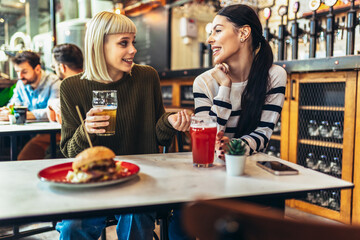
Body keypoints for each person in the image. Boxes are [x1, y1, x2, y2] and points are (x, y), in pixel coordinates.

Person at [56, 11, 191, 240]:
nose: (133, 50)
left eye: (133, 42)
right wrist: (86, 129)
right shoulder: (71, 87)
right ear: (100, 46)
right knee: (72, 227)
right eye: (123, 43)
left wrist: (169, 122)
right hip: (93, 181)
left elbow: (160, 136)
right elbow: (70, 151)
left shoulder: (147, 77)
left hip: (141, 178)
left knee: (135, 217)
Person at [169, 4, 287, 240]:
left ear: (243, 33)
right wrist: (225, 87)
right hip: (210, 174)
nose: (210, 40)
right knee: (178, 224)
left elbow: (264, 132)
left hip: (250, 172)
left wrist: (235, 148)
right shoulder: (204, 82)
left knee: (273, 205)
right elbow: (208, 139)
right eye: (210, 33)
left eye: (217, 31)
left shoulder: (274, 76)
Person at [0, 51, 61, 160]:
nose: (20, 76)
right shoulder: (21, 84)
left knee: (23, 159)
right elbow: (14, 103)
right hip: (32, 133)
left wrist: (23, 115)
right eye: (17, 72)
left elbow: (54, 113)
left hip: (54, 135)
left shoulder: (54, 82)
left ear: (37, 68)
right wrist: (8, 111)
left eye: (24, 71)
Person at [48, 43, 84, 124]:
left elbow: (57, 120)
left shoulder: (68, 87)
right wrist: (51, 103)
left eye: (54, 67)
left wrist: (51, 103)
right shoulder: (92, 82)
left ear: (62, 67)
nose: (55, 71)